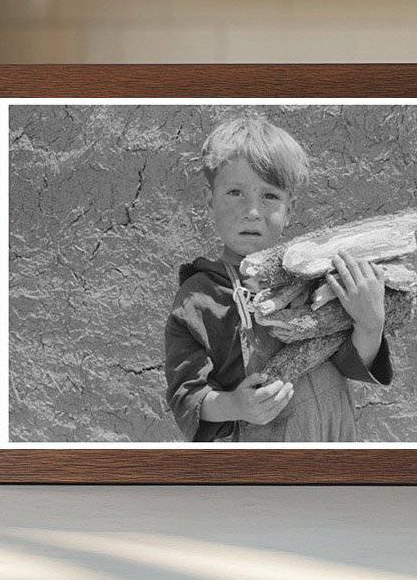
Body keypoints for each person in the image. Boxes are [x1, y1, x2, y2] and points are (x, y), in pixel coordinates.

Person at [164, 114, 393, 442]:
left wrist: (370, 324)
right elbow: (186, 397)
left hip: (336, 450)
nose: (252, 211)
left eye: (269, 196)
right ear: (210, 199)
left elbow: (349, 362)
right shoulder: (198, 297)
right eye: (235, 192)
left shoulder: (317, 278)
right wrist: (235, 405)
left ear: (290, 207)